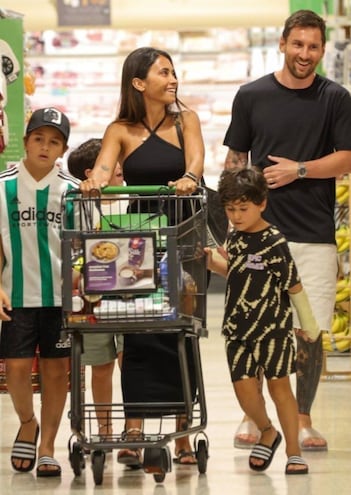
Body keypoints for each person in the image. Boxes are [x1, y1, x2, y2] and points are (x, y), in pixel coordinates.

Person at [223, 9, 351, 452]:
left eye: (314, 46)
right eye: (298, 44)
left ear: (321, 50)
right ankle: (254, 417)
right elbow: (235, 162)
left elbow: (346, 157)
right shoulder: (251, 95)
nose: (305, 54)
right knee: (258, 326)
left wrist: (299, 170)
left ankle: (303, 418)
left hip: (314, 234)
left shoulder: (335, 97)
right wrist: (231, 227)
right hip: (258, 233)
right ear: (282, 43)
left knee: (309, 330)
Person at [79, 46, 204, 466]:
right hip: (140, 242)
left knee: (179, 329)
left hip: (182, 234)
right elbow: (102, 169)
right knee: (136, 328)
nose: (173, 79)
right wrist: (93, 182)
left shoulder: (187, 121)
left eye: (173, 72)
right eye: (163, 72)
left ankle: (183, 433)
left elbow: (197, 163)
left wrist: (188, 178)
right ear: (139, 83)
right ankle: (134, 428)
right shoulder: (120, 129)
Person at [205, 167, 321, 474]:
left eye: (243, 209)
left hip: (273, 330)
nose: (237, 216)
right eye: (230, 209)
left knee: (279, 388)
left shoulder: (274, 241)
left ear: (262, 204)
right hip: (237, 329)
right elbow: (233, 270)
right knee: (244, 389)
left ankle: (294, 453)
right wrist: (211, 260)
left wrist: (308, 325)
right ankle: (267, 430)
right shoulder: (235, 237)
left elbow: (293, 285)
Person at [0, 107, 80, 476]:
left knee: (55, 371)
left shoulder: (73, 192)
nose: (45, 147)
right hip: (16, 295)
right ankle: (27, 421)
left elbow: (85, 247)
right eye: (39, 139)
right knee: (15, 369)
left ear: (62, 149)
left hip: (61, 300)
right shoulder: (3, 186)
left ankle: (47, 444)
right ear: (26, 140)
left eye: (54, 141)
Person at [67, 138, 126, 444]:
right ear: (92, 172)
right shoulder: (80, 207)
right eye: (113, 160)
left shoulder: (130, 197)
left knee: (129, 361)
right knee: (101, 367)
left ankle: (134, 427)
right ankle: (105, 430)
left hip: (132, 294)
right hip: (94, 296)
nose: (119, 166)